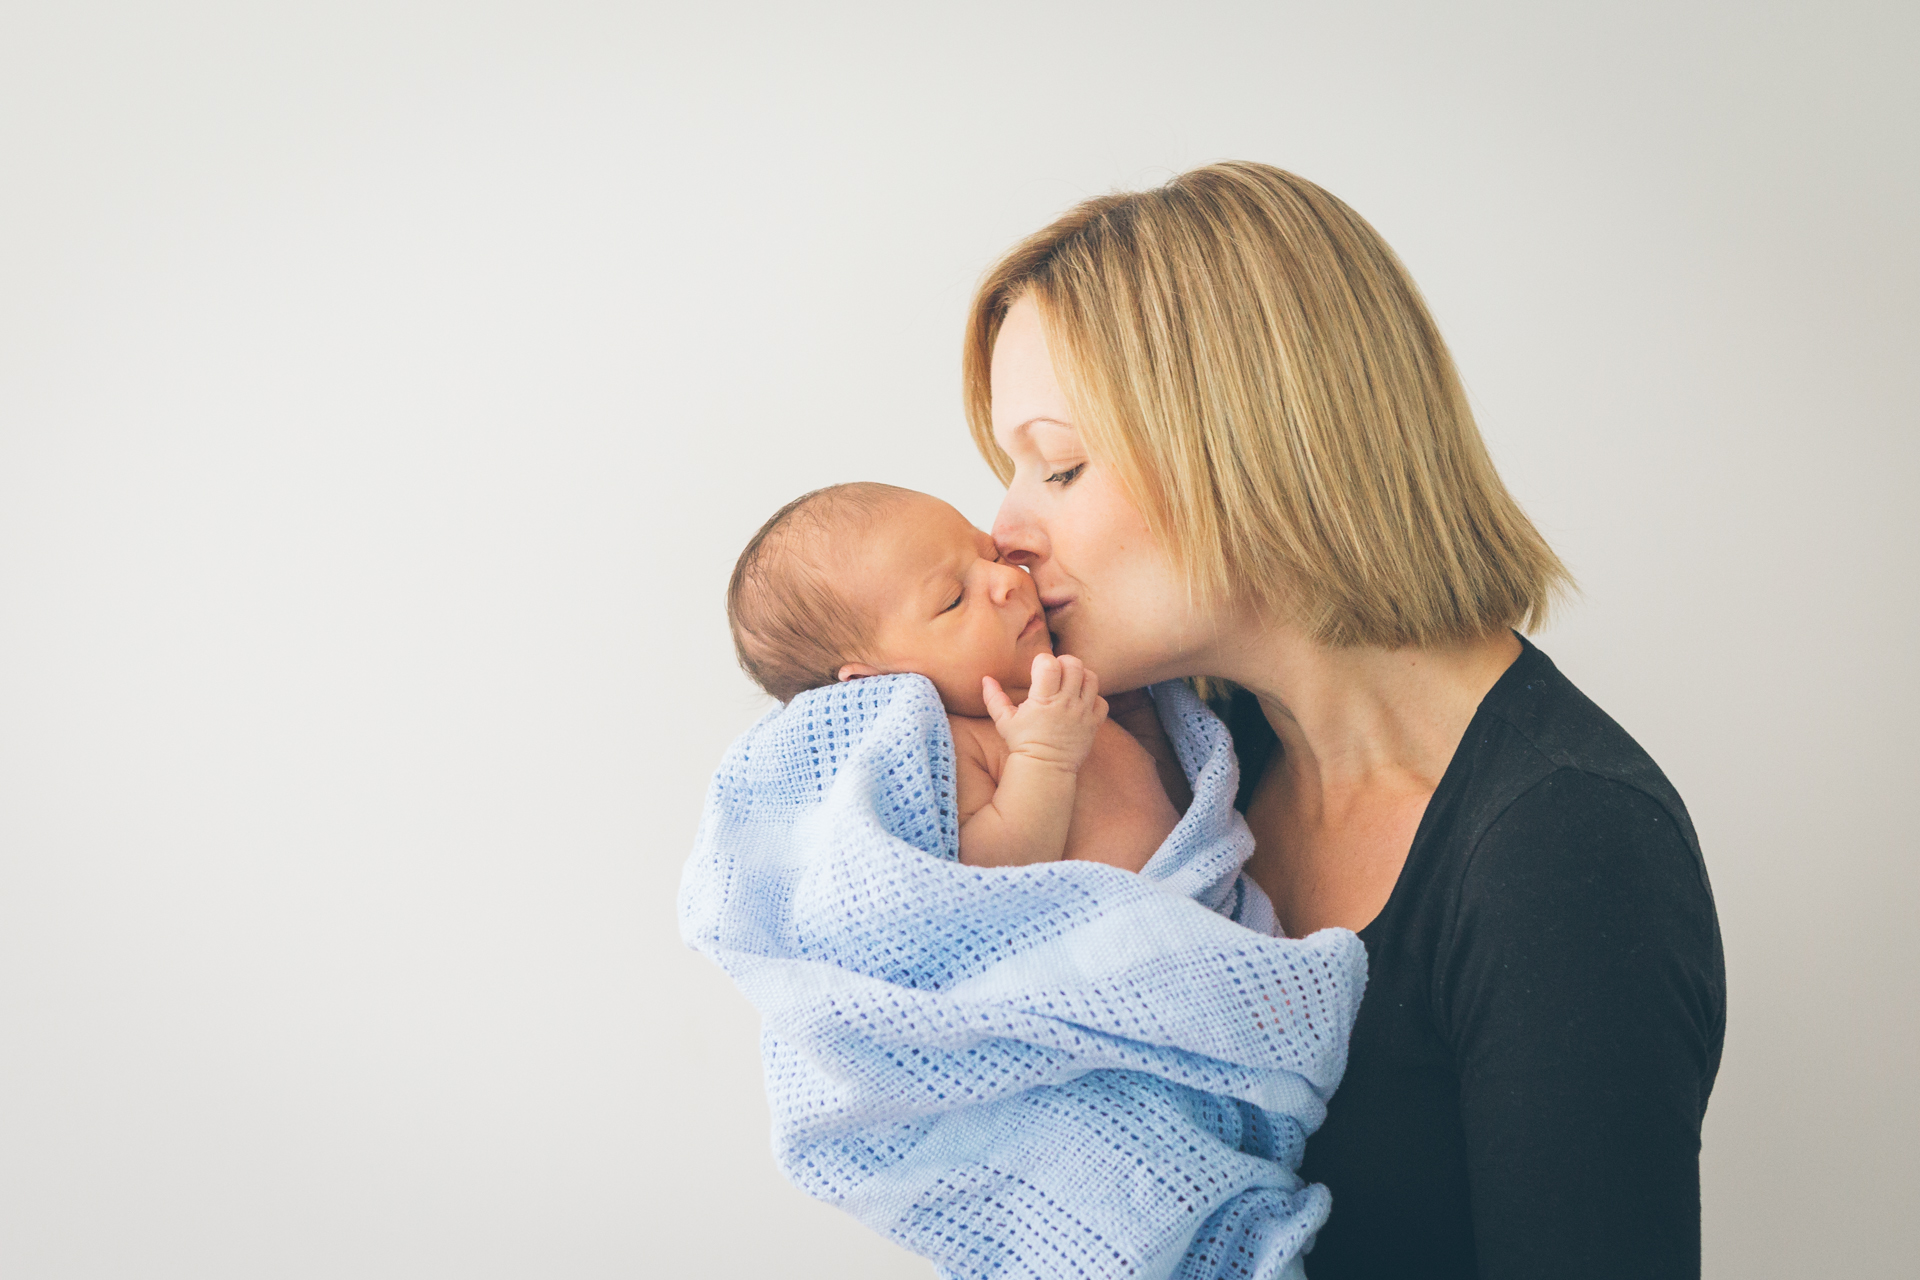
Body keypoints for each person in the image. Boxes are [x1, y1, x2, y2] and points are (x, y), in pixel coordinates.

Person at [964, 161, 1726, 1279]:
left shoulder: (1569, 844)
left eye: (1061, 464)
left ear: (1251, 436)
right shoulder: (1184, 760)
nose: (1005, 529)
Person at [725, 481, 1179, 870]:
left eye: (992, 555)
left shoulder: (1064, 690)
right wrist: (1044, 759)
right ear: (875, 682)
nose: (1009, 582)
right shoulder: (955, 748)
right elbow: (989, 881)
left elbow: (1166, 795)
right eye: (954, 599)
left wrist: (1138, 712)